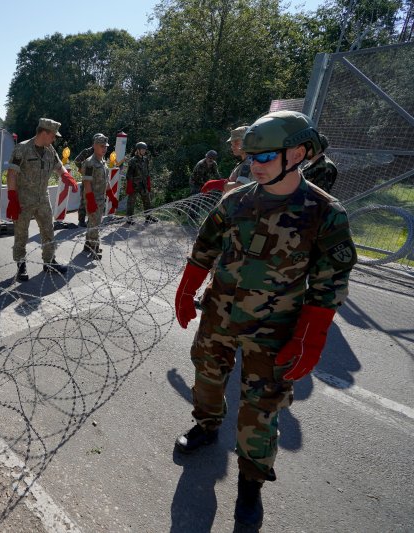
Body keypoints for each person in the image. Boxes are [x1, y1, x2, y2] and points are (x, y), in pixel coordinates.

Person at [173, 110, 356, 528]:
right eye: (251, 157)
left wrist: (310, 339)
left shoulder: (324, 213)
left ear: (298, 153)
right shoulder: (236, 201)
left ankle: (251, 482)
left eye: (265, 157)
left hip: (274, 328)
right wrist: (187, 291)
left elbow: (329, 285)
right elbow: (205, 247)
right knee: (207, 373)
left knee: (261, 406)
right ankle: (205, 426)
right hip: (219, 313)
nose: (254, 165)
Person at [6, 117, 78, 281]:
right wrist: (12, 198)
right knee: (21, 233)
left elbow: (59, 168)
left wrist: (67, 178)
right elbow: (12, 174)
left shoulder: (50, 150)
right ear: (44, 133)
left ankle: (49, 262)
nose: (54, 139)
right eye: (53, 135)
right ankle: (21, 264)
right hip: (23, 199)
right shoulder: (22, 148)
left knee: (48, 230)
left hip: (42, 197)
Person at [79, 134, 118, 259]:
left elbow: (106, 182)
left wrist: (111, 196)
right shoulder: (90, 162)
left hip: (100, 198)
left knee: (93, 221)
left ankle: (87, 244)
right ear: (95, 146)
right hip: (92, 198)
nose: (104, 149)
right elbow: (86, 182)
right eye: (102, 146)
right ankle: (94, 247)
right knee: (95, 223)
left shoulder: (102, 161)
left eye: (105, 146)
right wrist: (90, 200)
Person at [74, 133, 107, 227]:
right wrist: (82, 169)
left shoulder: (101, 151)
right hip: (87, 179)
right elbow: (77, 161)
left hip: (97, 180)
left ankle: (91, 220)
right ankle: (81, 220)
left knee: (95, 200)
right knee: (84, 200)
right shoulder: (87, 151)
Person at [124, 141, 151, 222]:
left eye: (145, 150)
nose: (144, 151)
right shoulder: (133, 160)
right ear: (138, 150)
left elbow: (147, 171)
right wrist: (130, 186)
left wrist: (148, 182)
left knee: (147, 201)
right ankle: (129, 219)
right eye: (142, 149)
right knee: (131, 202)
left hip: (143, 184)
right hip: (135, 185)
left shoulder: (145, 159)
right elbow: (129, 175)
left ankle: (148, 217)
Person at [223, 125, 253, 193]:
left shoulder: (249, 162)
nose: (232, 146)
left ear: (248, 142)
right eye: (231, 143)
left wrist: (221, 185)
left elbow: (243, 188)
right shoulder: (244, 161)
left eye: (236, 142)